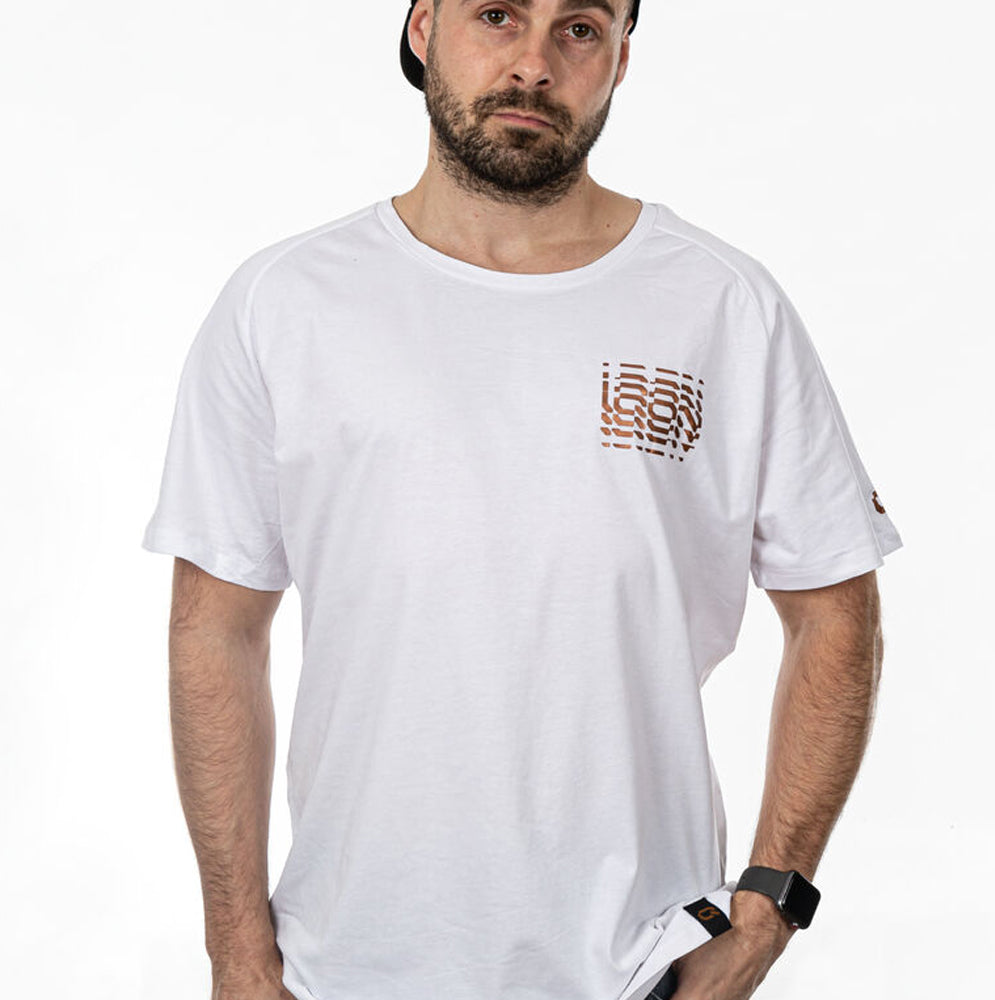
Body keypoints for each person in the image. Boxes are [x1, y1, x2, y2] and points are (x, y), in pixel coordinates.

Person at [141, 2, 903, 999]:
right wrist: (237, 951)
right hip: (346, 965)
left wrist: (764, 914)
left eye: (578, 27)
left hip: (641, 967)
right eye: (497, 15)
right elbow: (216, 629)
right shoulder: (285, 302)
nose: (534, 63)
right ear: (423, 29)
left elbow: (836, 609)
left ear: (620, 59)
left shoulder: (722, 303)